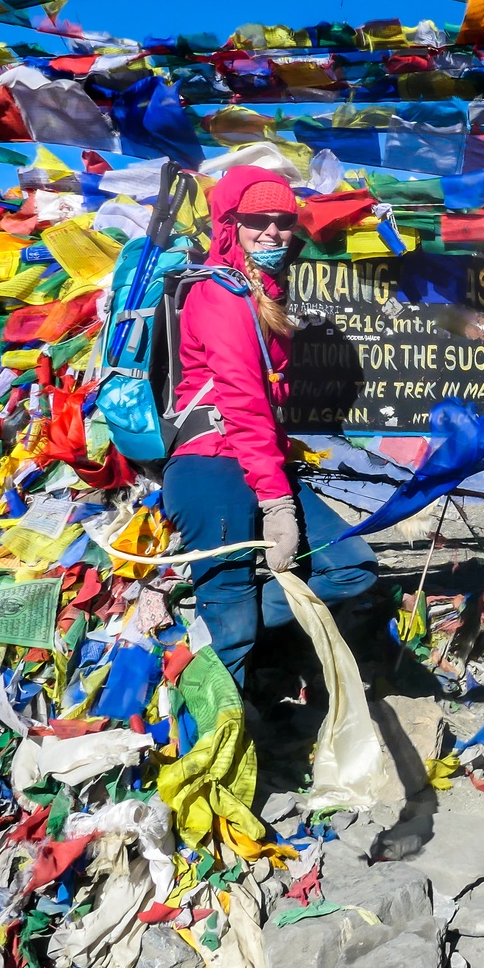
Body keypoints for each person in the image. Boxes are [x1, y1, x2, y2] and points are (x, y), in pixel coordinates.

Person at [160, 166, 375, 688]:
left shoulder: (261, 293)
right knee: (232, 627)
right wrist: (278, 506)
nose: (273, 231)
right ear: (232, 224)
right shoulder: (221, 297)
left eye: (284, 220)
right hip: (213, 465)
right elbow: (244, 403)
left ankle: (219, 629)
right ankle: (213, 736)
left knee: (351, 568)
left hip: (257, 462)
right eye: (259, 219)